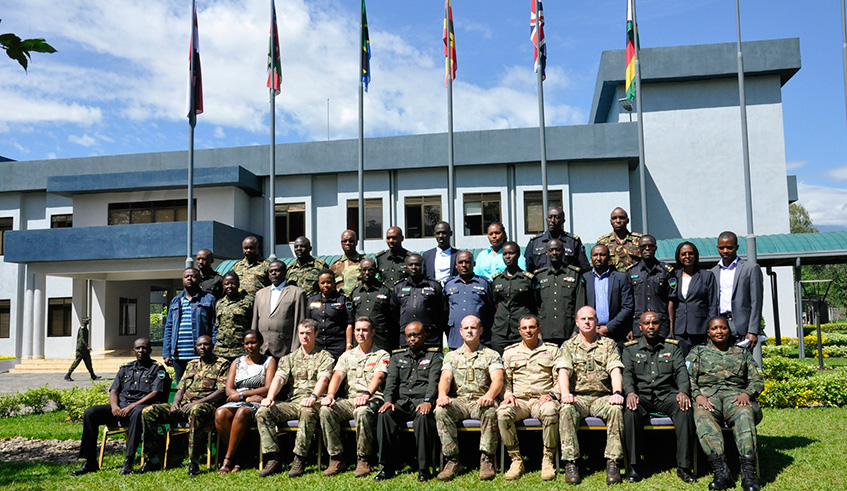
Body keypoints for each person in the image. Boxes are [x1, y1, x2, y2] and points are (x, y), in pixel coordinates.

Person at [687, 316, 764, 491]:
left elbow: (758, 379)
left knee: (745, 414)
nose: (719, 331)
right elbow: (687, 378)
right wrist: (697, 396)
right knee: (702, 415)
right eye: (714, 328)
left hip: (736, 397)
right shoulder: (698, 352)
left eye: (723, 328)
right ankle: (721, 472)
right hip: (707, 397)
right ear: (708, 332)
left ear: (729, 331)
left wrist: (747, 393)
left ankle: (748, 474)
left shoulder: (741, 353)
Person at [72, 338, 169, 476]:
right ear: (133, 350)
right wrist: (114, 407)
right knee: (90, 412)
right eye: (138, 348)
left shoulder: (157, 369)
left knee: (137, 413)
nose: (141, 351)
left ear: (150, 350)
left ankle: (128, 461)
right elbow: (114, 390)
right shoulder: (125, 368)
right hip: (120, 407)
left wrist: (132, 406)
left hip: (141, 406)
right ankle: (90, 462)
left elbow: (156, 392)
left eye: (144, 348)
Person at [622, 312, 696, 483]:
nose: (651, 326)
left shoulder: (672, 347)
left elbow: (681, 372)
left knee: (684, 409)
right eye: (646, 323)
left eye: (654, 323)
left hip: (666, 395)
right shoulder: (630, 348)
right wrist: (630, 392)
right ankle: (634, 466)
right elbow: (627, 374)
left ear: (660, 325)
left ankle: (684, 466)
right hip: (642, 396)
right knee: (630, 411)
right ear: (640, 326)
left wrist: (683, 392)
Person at [139, 335, 229, 476]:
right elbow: (181, 388)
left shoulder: (222, 364)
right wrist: (175, 402)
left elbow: (222, 391)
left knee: (196, 410)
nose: (202, 348)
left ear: (212, 347)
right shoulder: (191, 364)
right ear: (196, 347)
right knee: (149, 411)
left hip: (207, 406)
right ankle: (152, 459)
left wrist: (196, 403)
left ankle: (193, 461)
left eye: (206, 345)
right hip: (183, 406)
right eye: (199, 345)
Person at [256, 319, 335, 478]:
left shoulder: (324, 356)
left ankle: (299, 459)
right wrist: (270, 397)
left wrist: (314, 396)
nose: (304, 336)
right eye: (302, 333)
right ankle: (273, 459)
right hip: (294, 402)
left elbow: (324, 379)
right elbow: (279, 378)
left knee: (307, 412)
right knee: (263, 412)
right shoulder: (289, 358)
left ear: (316, 334)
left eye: (308, 333)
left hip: (317, 402)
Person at [558, 306, 625, 485]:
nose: (587, 322)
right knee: (566, 409)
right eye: (583, 319)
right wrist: (565, 394)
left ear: (596, 322)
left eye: (591, 318)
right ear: (577, 323)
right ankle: (571, 463)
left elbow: (615, 369)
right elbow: (563, 371)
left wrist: (617, 392)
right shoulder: (569, 345)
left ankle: (613, 462)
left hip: (601, 397)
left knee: (616, 409)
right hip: (578, 397)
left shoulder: (608, 344)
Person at [435, 315, 504, 481]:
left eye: (473, 328)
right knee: (441, 411)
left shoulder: (491, 354)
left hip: (481, 399)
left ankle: (487, 458)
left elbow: (498, 379)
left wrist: (489, 395)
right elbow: (445, 378)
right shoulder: (451, 356)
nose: (469, 331)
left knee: (490, 411)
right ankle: (452, 460)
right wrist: (443, 395)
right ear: (460, 331)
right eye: (466, 328)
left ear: (480, 330)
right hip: (460, 400)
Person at [320, 317, 390, 477]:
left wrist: (366, 394)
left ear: (373, 332)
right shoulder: (347, 356)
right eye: (358, 330)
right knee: (326, 410)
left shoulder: (381, 354)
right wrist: (330, 395)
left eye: (364, 330)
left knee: (362, 412)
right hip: (351, 399)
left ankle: (363, 459)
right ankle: (336, 458)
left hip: (373, 399)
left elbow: (379, 376)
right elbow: (337, 375)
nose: (360, 333)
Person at [374, 321, 442, 482]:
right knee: (384, 415)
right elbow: (391, 382)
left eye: (416, 335)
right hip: (402, 402)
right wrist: (388, 400)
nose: (412, 339)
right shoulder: (397, 356)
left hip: (421, 401)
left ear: (424, 335)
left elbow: (434, 382)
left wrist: (428, 401)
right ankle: (386, 467)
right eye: (409, 335)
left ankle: (424, 469)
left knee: (424, 418)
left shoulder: (433, 355)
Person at [497, 315, 562, 481]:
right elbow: (505, 381)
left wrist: (552, 395)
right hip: (520, 401)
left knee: (550, 411)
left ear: (539, 329)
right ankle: (516, 460)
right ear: (519, 331)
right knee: (503, 413)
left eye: (532, 327)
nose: (528, 331)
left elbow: (560, 379)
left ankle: (548, 459)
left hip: (543, 399)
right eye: (524, 328)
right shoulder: (510, 352)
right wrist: (508, 394)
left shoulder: (552, 350)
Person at [214, 330, 276, 474]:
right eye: (247, 343)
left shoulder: (269, 361)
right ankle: (240, 456)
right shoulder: (237, 362)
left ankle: (228, 459)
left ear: (260, 343)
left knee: (242, 412)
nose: (250, 346)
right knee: (220, 413)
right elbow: (229, 389)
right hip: (238, 399)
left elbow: (267, 387)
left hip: (256, 400)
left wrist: (243, 395)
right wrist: (242, 396)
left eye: (253, 342)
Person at [710, 231, 764, 352]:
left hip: (742, 327)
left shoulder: (750, 269)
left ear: (737, 247)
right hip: (720, 325)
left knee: (742, 365)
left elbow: (757, 302)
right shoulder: (713, 272)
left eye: (729, 247)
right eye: (721, 248)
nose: (725, 251)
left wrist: (753, 331)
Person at [163, 268, 217, 382]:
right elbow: (169, 327)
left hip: (199, 355)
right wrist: (167, 353)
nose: (189, 279)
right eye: (186, 276)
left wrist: (213, 350)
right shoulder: (175, 301)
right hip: (178, 356)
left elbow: (214, 327)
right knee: (181, 388)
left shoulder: (209, 299)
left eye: (193, 276)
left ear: (199, 279)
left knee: (200, 387)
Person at [533, 239, 586, 345]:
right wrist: (537, 331)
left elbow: (580, 304)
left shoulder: (574, 274)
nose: (554, 253)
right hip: (546, 331)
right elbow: (536, 306)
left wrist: (576, 330)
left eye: (558, 250)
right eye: (551, 250)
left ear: (563, 251)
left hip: (568, 330)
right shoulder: (539, 276)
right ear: (546, 253)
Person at [252, 260, 307, 359]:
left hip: (284, 348)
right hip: (263, 348)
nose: (274, 273)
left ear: (285, 272)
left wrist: (295, 349)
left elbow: (299, 321)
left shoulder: (297, 293)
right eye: (271, 271)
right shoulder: (260, 293)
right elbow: (255, 321)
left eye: (277, 270)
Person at [673, 241, 718, 355]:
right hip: (680, 330)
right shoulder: (673, 275)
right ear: (678, 257)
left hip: (700, 328)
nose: (687, 256)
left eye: (690, 253)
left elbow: (712, 304)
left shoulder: (706, 276)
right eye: (683, 254)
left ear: (695, 255)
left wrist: (711, 329)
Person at [583, 244, 634, 345]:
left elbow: (628, 307)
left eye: (602, 255)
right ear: (591, 258)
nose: (598, 258)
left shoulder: (620, 278)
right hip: (590, 333)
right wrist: (592, 326)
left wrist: (609, 327)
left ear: (609, 258)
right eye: (595, 255)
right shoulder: (584, 279)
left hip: (616, 333)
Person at [490, 241, 536, 353]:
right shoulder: (497, 280)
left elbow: (535, 304)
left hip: (520, 330)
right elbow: (495, 303)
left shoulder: (527, 279)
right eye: (505, 254)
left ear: (518, 254)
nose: (508, 257)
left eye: (511, 253)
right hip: (500, 330)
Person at [392, 253, 444, 349]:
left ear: (423, 266)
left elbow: (442, 312)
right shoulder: (399, 287)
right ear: (406, 267)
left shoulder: (434, 286)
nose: (414, 267)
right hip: (406, 339)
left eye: (417, 265)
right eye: (410, 265)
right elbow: (394, 313)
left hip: (429, 339)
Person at [628, 234, 676, 339]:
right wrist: (629, 328)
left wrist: (672, 328)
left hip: (661, 326)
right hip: (638, 326)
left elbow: (671, 301)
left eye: (651, 246)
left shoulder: (666, 271)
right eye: (643, 246)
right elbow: (628, 303)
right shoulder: (631, 272)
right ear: (638, 249)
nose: (647, 249)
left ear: (656, 248)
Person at [443, 251, 494, 349]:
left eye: (467, 262)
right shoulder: (449, 285)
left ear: (473, 264)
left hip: (480, 338)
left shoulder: (484, 284)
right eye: (460, 262)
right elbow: (444, 312)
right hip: (456, 338)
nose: (464, 265)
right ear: (456, 265)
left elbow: (491, 312)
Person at [349, 257, 399, 351]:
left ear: (376, 271)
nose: (367, 273)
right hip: (361, 341)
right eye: (364, 270)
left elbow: (394, 318)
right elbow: (351, 318)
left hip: (381, 340)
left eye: (370, 270)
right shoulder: (354, 292)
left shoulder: (385, 291)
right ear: (360, 271)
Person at [524, 206, 590, 273]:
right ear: (546, 220)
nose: (552, 221)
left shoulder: (573, 242)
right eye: (550, 217)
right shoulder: (535, 242)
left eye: (557, 217)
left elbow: (584, 268)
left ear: (563, 221)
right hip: (541, 281)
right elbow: (528, 268)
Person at [308, 269, 355, 358]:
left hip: (337, 346)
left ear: (334, 283)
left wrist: (349, 346)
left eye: (329, 282)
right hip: (318, 346)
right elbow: (308, 324)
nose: (326, 285)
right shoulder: (311, 300)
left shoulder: (343, 300)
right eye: (322, 283)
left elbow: (349, 324)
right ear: (318, 284)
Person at [214, 271, 254, 361]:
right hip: (221, 350)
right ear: (223, 286)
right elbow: (217, 326)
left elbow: (253, 324)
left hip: (240, 350)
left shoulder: (248, 302)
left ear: (238, 284)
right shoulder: (219, 303)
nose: (230, 286)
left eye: (233, 283)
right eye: (227, 284)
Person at [596, 207, 643, 273]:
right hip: (613, 280)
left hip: (634, 279)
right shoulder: (603, 242)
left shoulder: (639, 240)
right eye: (614, 218)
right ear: (611, 222)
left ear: (628, 220)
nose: (618, 221)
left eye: (622, 217)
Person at [64, 316, 100, 382]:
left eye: (88, 321)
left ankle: (93, 375)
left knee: (88, 362)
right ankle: (68, 375)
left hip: (85, 350)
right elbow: (82, 338)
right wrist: (87, 346)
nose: (87, 322)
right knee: (76, 362)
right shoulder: (82, 329)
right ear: (83, 321)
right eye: (86, 321)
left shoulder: (85, 328)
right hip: (81, 349)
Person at [329, 229, 364, 295]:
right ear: (341, 243)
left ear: (356, 242)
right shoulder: (335, 266)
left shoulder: (364, 263)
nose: (347, 243)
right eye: (344, 241)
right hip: (340, 301)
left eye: (351, 241)